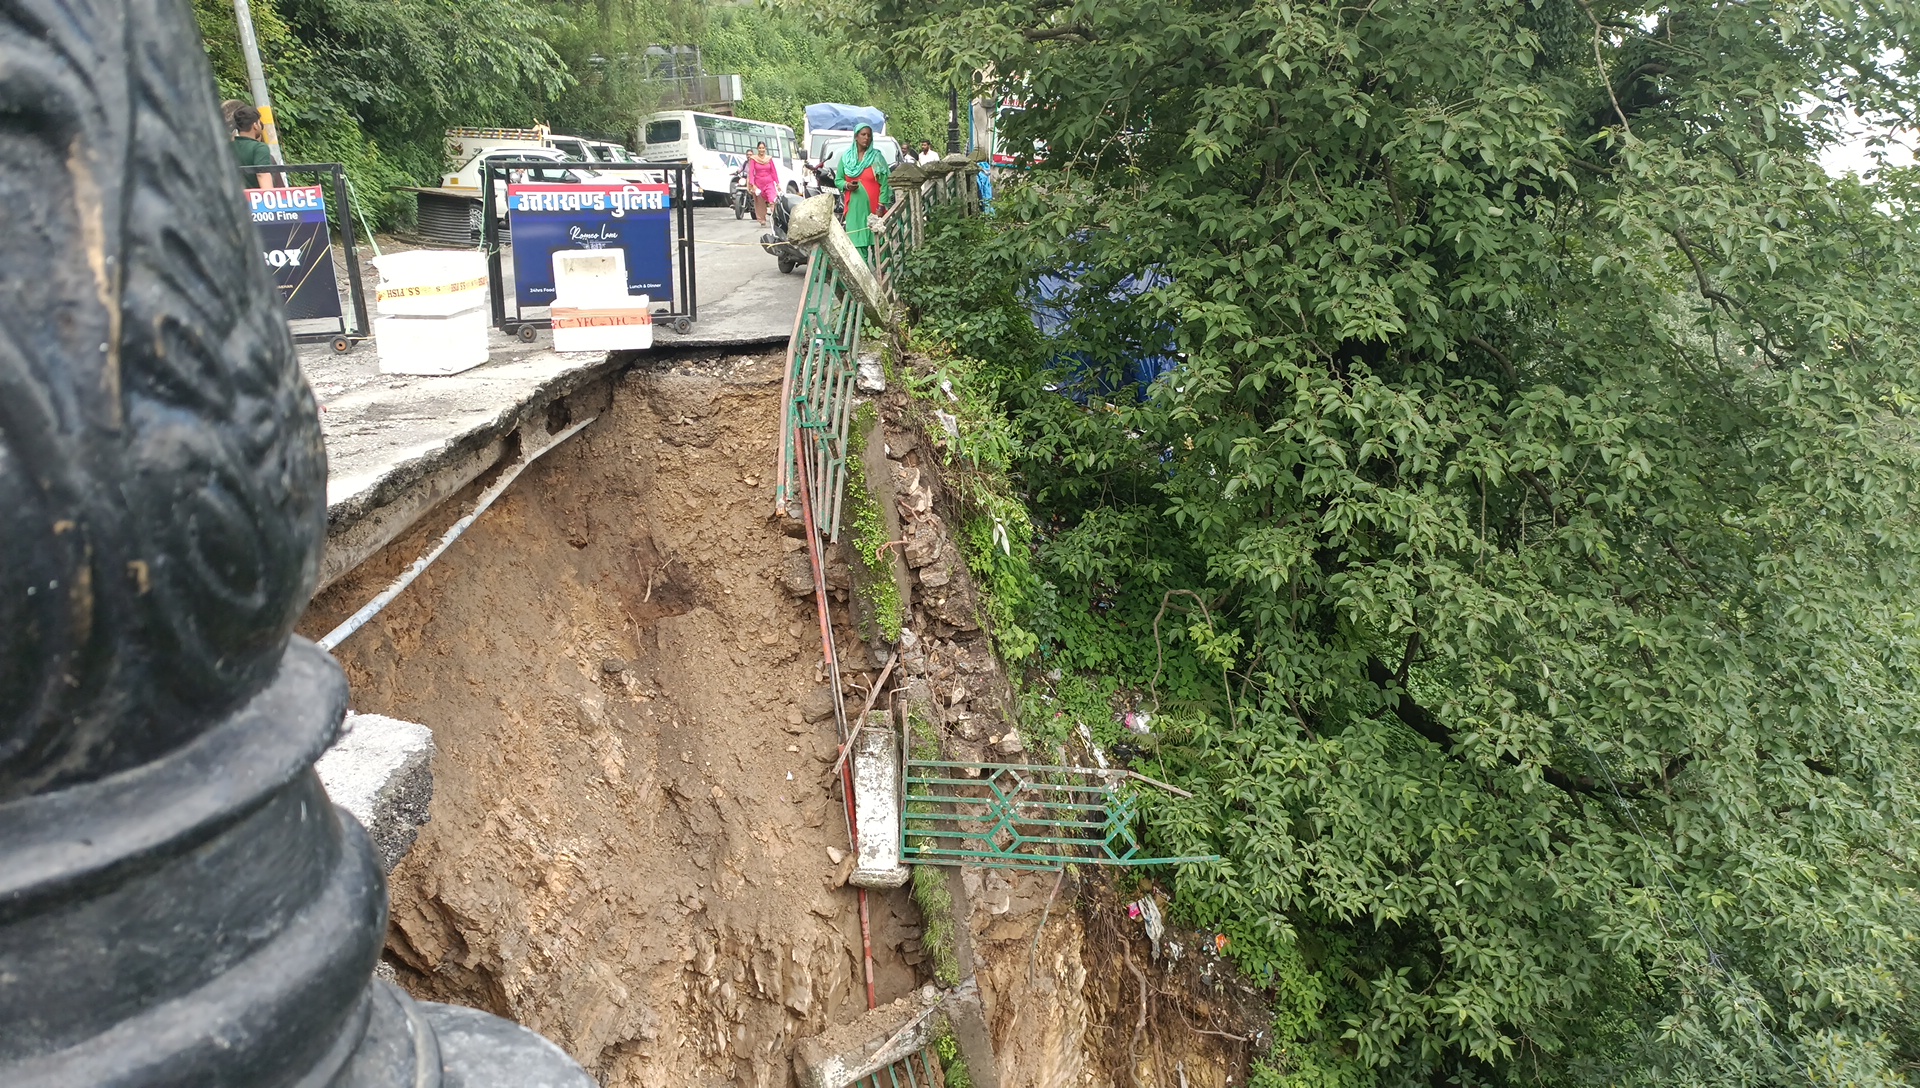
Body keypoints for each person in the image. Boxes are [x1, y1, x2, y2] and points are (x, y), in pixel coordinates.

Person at [834, 124, 891, 259]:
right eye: (863, 134)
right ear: (856, 136)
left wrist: (881, 206)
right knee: (857, 247)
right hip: (854, 209)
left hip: (874, 210)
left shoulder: (876, 158)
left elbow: (885, 184)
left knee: (879, 245)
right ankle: (864, 279)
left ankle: (883, 278)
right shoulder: (846, 158)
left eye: (869, 135)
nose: (866, 138)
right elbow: (838, 179)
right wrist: (847, 186)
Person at [230, 104, 275, 189]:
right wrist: (270, 198)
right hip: (253, 200)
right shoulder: (259, 148)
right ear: (255, 125)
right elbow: (262, 175)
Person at [745, 141, 780, 226]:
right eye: (760, 148)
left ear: (765, 149)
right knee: (759, 202)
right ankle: (762, 219)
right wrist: (752, 185)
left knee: (772, 200)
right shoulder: (753, 159)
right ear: (757, 149)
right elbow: (751, 172)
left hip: (769, 183)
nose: (761, 150)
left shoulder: (769, 159)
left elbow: (773, 171)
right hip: (758, 184)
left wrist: (777, 183)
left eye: (763, 148)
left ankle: (775, 218)